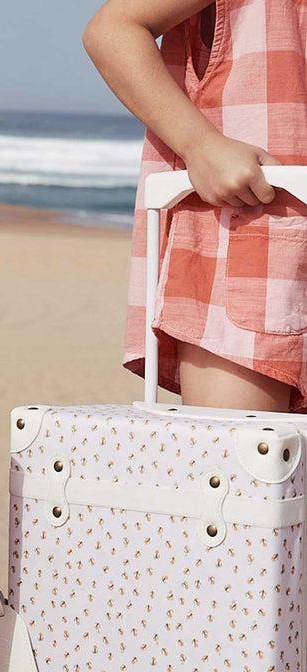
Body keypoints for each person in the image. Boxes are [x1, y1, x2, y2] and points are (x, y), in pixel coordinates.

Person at [85, 0, 307, 412]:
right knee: (237, 465)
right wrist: (200, 144)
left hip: (265, 237)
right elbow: (113, 30)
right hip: (260, 237)